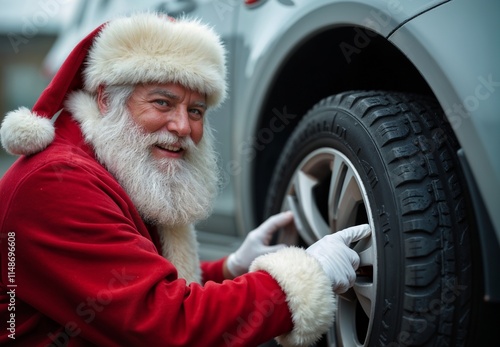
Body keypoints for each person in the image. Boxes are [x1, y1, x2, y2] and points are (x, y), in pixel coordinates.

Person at [0, 13, 371, 346]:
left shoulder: (105, 162)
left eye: (195, 110)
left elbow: (128, 284)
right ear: (104, 99)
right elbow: (162, 326)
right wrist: (302, 281)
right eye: (162, 102)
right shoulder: (56, 183)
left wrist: (230, 270)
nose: (183, 127)